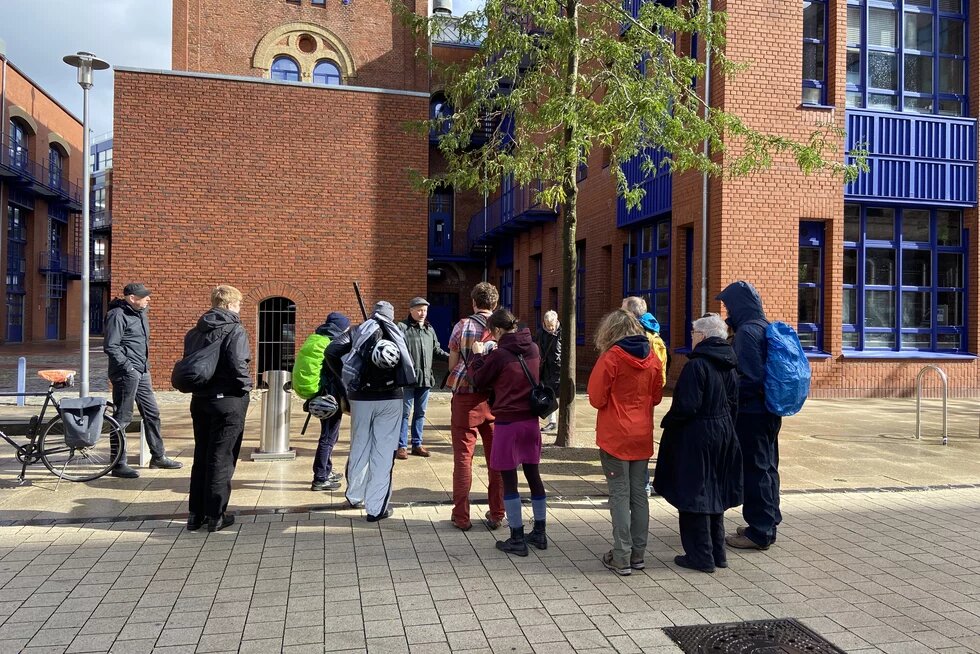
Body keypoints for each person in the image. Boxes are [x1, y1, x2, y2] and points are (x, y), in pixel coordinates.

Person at [654, 313, 742, 572]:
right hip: (724, 432)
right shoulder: (729, 363)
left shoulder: (697, 365)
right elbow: (734, 402)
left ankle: (700, 555)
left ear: (702, 336)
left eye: (693, 334)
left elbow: (686, 405)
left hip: (698, 435)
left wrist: (669, 423)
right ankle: (718, 553)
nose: (691, 338)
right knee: (714, 491)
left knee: (694, 494)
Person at [588, 309, 663, 576]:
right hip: (641, 434)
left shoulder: (611, 358)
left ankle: (621, 555)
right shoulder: (653, 357)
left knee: (619, 494)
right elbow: (656, 396)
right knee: (639, 495)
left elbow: (596, 398)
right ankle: (638, 555)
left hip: (615, 435)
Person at [325, 301, 416, 522]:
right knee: (384, 453)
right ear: (391, 315)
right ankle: (376, 508)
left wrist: (347, 378)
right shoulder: (397, 332)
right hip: (391, 398)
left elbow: (331, 351)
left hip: (361, 398)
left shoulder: (358, 330)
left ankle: (354, 496)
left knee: (360, 446)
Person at [469, 309, 548, 557]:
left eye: (492, 331)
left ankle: (516, 536)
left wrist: (479, 356)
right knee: (534, 475)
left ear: (499, 331)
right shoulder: (534, 348)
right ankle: (540, 532)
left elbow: (478, 380)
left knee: (509, 479)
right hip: (531, 421)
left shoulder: (500, 355)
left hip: (507, 423)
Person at [716, 280, 783, 551]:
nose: (727, 311)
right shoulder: (764, 326)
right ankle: (768, 521)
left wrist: (727, 391)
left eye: (728, 305)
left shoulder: (746, 332)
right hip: (769, 410)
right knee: (768, 467)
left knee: (755, 471)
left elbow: (750, 378)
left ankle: (759, 531)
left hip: (752, 412)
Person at [184, 285, 252, 532]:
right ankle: (215, 515)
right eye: (239, 304)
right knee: (221, 457)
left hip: (200, 399)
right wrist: (247, 387)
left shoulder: (195, 331)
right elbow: (238, 363)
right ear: (232, 305)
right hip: (228, 400)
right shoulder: (235, 329)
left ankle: (195, 515)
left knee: (201, 454)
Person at [103, 282, 182, 478]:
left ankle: (158, 456)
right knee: (122, 417)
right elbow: (111, 346)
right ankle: (118, 464)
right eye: (144, 296)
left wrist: (140, 368)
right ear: (132, 298)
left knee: (152, 413)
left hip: (142, 371)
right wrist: (129, 368)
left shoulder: (140, 313)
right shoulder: (117, 315)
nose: (148, 299)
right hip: (126, 373)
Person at [446, 282, 505, 532]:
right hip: (495, 399)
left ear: (473, 303)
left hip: (466, 397)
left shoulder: (462, 326)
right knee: (497, 459)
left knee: (463, 458)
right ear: (495, 304)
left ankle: (462, 517)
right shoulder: (503, 328)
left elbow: (452, 365)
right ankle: (497, 513)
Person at [622, 296, 668, 496]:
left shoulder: (638, 336)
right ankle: (642, 486)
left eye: (623, 310)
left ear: (631, 313)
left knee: (630, 442)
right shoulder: (654, 333)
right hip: (647, 396)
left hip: (635, 396)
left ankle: (639, 488)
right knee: (641, 439)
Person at [397, 297, 449, 459]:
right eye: (419, 310)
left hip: (425, 378)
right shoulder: (402, 328)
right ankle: (401, 446)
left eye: (425, 310)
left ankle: (417, 444)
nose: (422, 313)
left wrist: (453, 358)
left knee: (420, 413)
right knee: (404, 413)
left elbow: (437, 350)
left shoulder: (429, 329)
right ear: (411, 310)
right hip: (407, 379)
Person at [308, 312, 352, 491]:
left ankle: (327, 470)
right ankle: (320, 477)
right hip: (330, 398)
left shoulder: (320, 337)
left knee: (330, 435)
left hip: (321, 396)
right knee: (327, 436)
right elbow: (338, 377)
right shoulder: (334, 345)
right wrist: (348, 399)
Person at [534, 310, 561, 433]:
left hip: (559, 369)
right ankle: (552, 421)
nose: (550, 328)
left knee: (560, 395)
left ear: (556, 321)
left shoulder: (562, 333)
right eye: (548, 325)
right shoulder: (541, 333)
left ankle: (559, 420)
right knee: (549, 395)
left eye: (552, 325)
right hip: (546, 368)